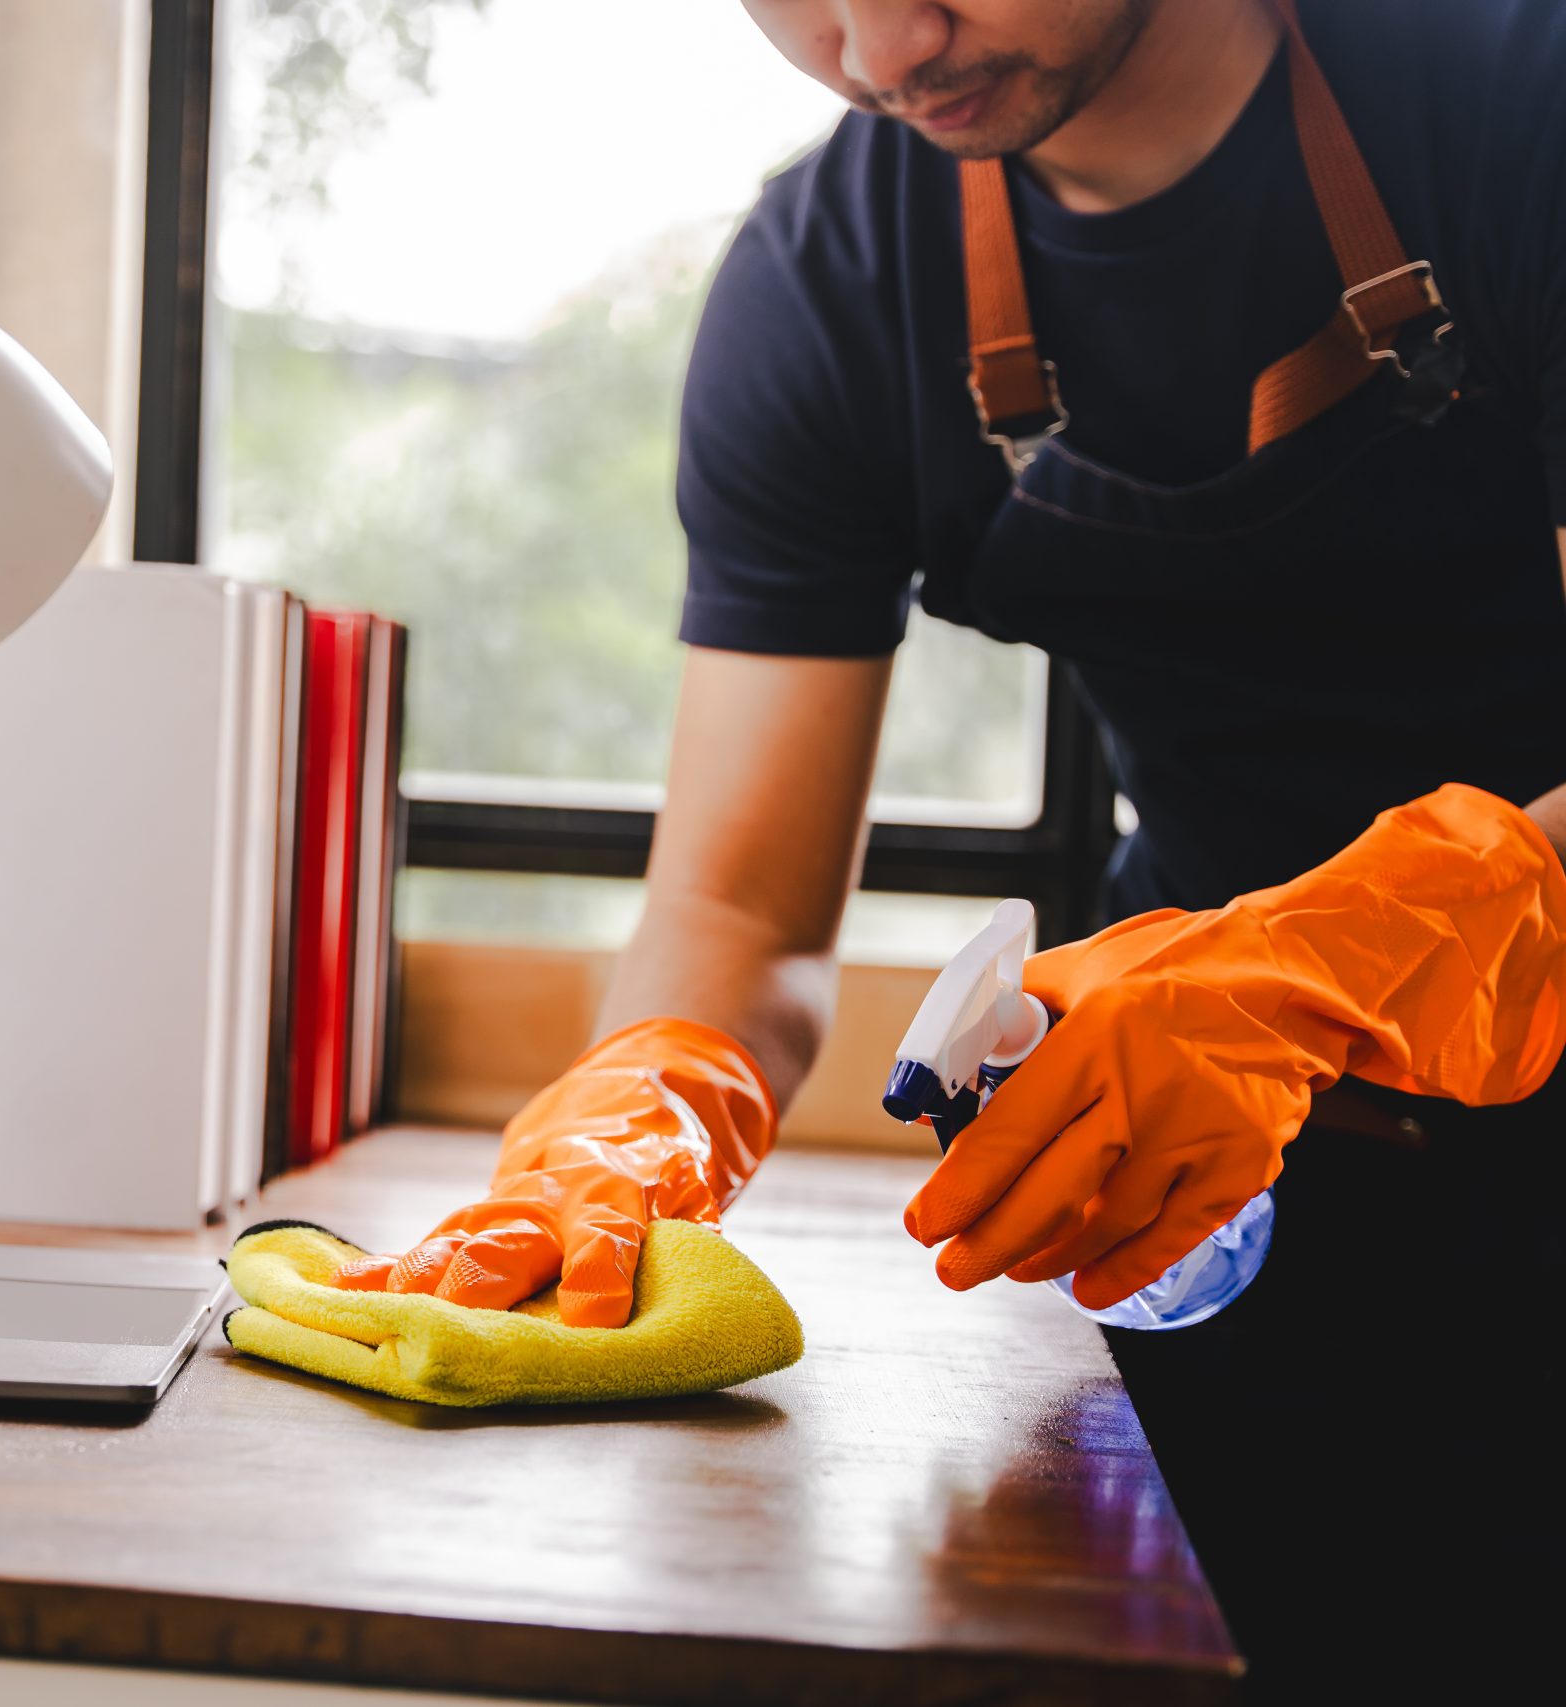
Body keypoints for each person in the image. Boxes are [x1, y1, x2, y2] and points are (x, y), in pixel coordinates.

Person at [332, 2, 1566, 1697]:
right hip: (1202, 1173)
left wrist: (1319, 970)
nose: (880, 41)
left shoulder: (1516, 98)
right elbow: (736, 904)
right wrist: (640, 1116)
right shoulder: (832, 287)